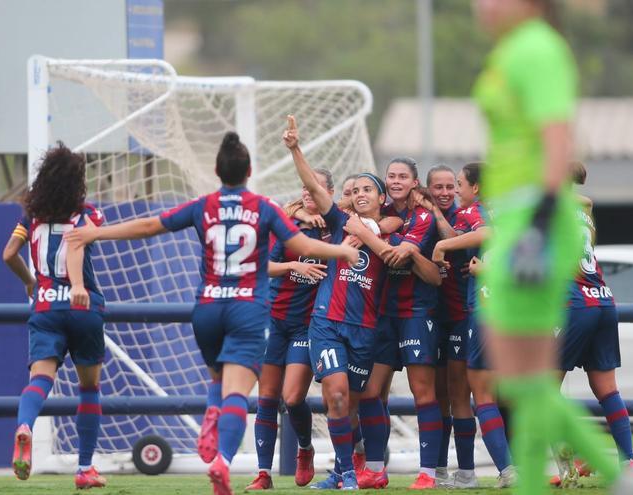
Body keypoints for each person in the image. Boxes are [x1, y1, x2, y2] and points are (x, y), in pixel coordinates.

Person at [66, 132, 358, 495]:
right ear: (250, 170)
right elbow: (301, 245)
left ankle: (211, 409)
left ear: (217, 171)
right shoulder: (264, 208)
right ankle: (222, 459)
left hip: (206, 309)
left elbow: (148, 226)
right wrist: (341, 252)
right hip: (247, 309)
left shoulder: (203, 205)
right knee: (238, 392)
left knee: (217, 382)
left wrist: (97, 233)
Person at [471, 1, 633, 494]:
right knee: (521, 381)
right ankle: (610, 477)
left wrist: (537, 224)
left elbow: (560, 138)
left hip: (533, 220)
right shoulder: (511, 50)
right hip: (519, 220)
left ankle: (621, 476)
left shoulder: (537, 47)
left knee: (522, 377)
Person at [284, 115, 434, 491]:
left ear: (383, 199)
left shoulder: (393, 232)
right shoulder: (339, 223)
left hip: (365, 331)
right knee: (334, 393)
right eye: (358, 189)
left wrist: (369, 234)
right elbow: (314, 191)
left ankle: (341, 469)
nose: (363, 193)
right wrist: (295, 149)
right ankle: (348, 473)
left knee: (350, 404)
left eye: (370, 189)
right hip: (327, 323)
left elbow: (405, 252)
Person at [2, 143, 108, 489]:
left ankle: (24, 426)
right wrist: (76, 283)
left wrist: (31, 283)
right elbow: (78, 243)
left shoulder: (30, 217)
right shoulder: (87, 214)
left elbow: (8, 255)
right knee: (89, 386)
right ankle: (85, 468)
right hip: (82, 307)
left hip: (46, 306)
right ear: (77, 182)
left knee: (40, 379)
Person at [245, 170, 336, 491]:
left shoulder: (336, 226)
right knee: (267, 397)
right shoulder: (286, 223)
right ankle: (263, 474)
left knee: (293, 396)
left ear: (330, 192)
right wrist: (293, 266)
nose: (309, 193)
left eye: (316, 188)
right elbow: (261, 266)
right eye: (305, 187)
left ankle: (305, 448)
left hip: (307, 324)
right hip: (274, 320)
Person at [357, 157, 444, 490]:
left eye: (402, 176)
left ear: (413, 181)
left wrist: (380, 240)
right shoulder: (380, 214)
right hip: (382, 314)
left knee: (423, 394)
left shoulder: (422, 215)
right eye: (390, 176)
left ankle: (428, 473)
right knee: (369, 393)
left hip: (416, 314)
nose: (395, 181)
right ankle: (376, 469)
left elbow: (397, 256)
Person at [549, 161, 633, 487]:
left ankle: (573, 459)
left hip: (573, 303)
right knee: (607, 390)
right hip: (602, 298)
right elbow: (584, 201)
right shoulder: (582, 207)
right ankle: (627, 464)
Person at [430, 162, 516, 488]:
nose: (456, 191)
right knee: (509, 393)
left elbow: (481, 233)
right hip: (513, 313)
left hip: (486, 310)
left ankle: (506, 470)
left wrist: (440, 246)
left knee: (481, 396)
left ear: (475, 188)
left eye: (460, 184)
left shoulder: (473, 211)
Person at [422, 165, 468, 484]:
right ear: (427, 188)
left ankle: (466, 469)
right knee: (437, 395)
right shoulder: (418, 217)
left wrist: (436, 214)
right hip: (429, 316)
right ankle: (438, 468)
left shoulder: (465, 216)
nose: (444, 192)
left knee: (459, 393)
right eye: (437, 187)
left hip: (461, 315)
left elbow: (453, 240)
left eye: (450, 186)